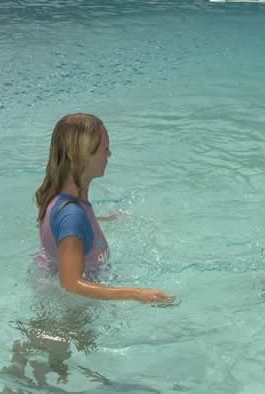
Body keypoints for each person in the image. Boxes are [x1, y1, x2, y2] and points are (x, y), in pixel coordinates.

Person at [34, 113, 174, 303]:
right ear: (83, 155)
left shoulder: (59, 200)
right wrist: (136, 294)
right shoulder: (72, 216)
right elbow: (71, 284)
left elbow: (63, 230)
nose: (109, 154)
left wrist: (99, 220)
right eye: (105, 148)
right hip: (71, 316)